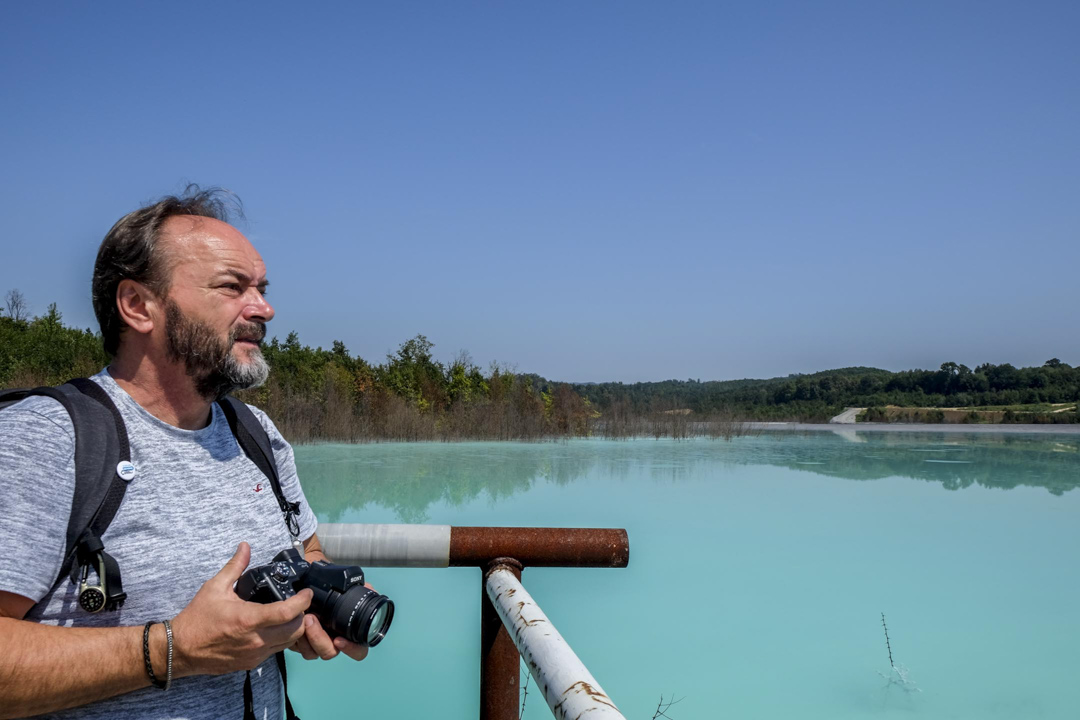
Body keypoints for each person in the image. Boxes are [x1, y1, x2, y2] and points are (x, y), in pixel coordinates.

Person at [0, 188, 367, 720]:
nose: (263, 308)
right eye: (231, 287)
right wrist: (175, 648)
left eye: (261, 289)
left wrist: (324, 601)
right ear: (138, 306)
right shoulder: (44, 437)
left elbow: (308, 555)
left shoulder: (255, 432)